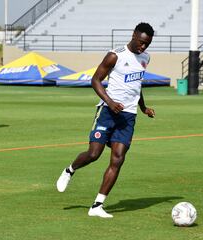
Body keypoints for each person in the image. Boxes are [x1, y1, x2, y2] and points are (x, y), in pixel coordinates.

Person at [56, 23, 156, 218]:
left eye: (147, 44)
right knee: (94, 154)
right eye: (142, 42)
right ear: (134, 35)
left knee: (118, 159)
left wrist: (143, 107)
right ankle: (70, 170)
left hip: (128, 115)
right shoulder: (115, 55)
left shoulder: (145, 58)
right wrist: (110, 103)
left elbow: (136, 85)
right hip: (108, 112)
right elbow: (95, 80)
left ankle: (97, 206)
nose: (143, 47)